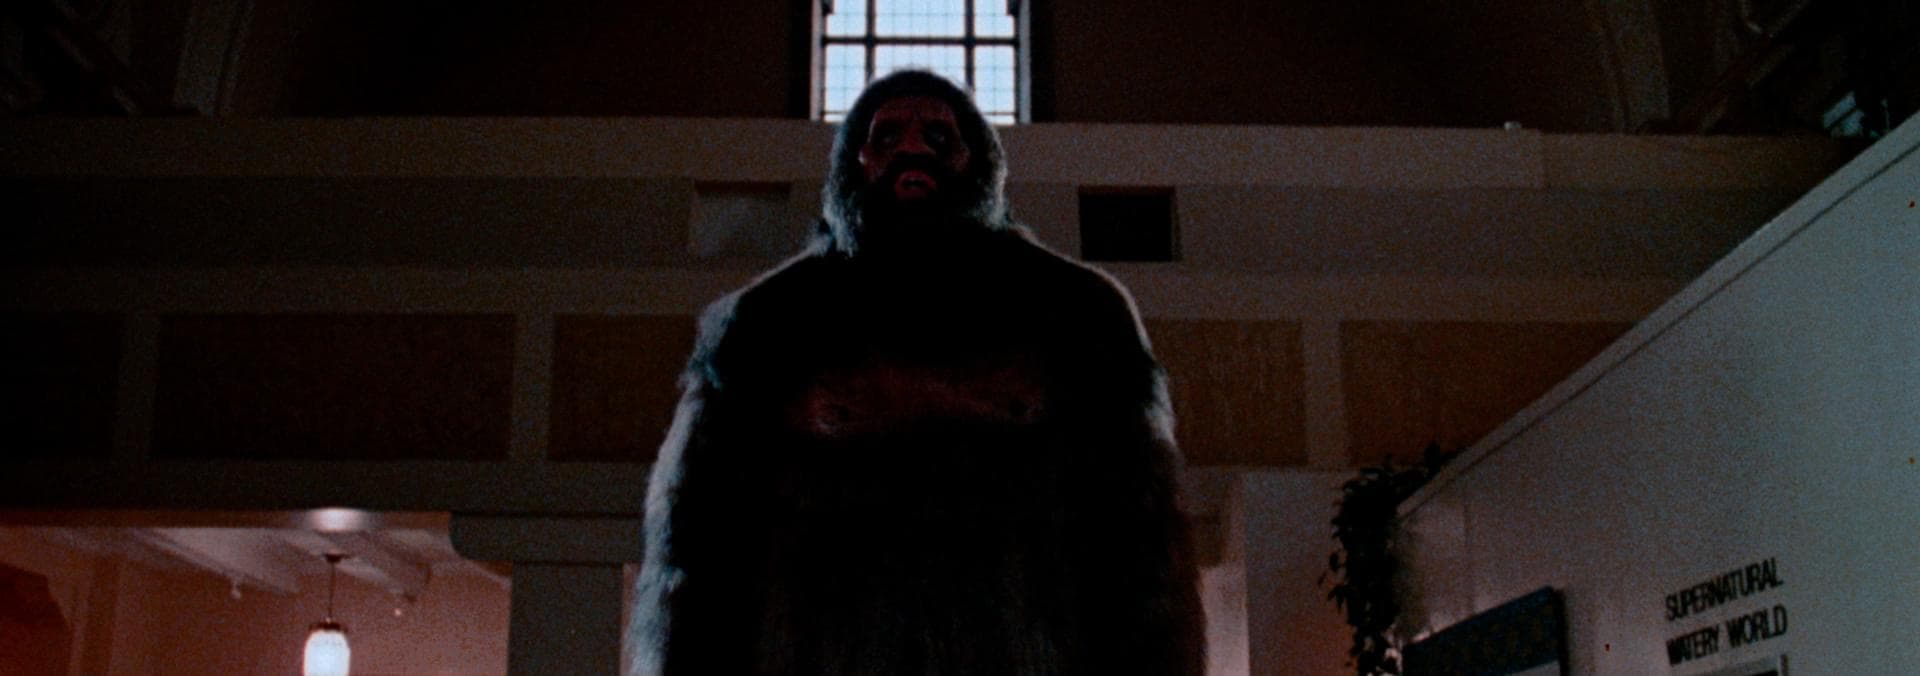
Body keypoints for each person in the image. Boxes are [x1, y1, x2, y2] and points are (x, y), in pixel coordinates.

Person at [627, 69, 1205, 676]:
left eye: (937, 136)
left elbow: (1140, 555)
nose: (911, 148)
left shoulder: (1080, 314)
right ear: (856, 160)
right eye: (887, 135)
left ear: (975, 158)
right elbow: (697, 557)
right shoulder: (763, 324)